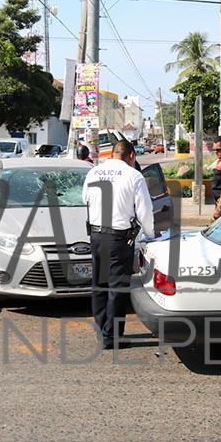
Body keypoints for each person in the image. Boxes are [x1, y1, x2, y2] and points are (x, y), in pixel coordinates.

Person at [82, 140, 154, 349]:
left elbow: (84, 197)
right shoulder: (133, 176)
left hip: (96, 236)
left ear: (113, 154)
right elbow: (144, 211)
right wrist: (150, 234)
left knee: (99, 284)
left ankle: (102, 328)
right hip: (118, 239)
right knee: (117, 287)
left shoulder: (94, 172)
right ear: (131, 155)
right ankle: (111, 337)